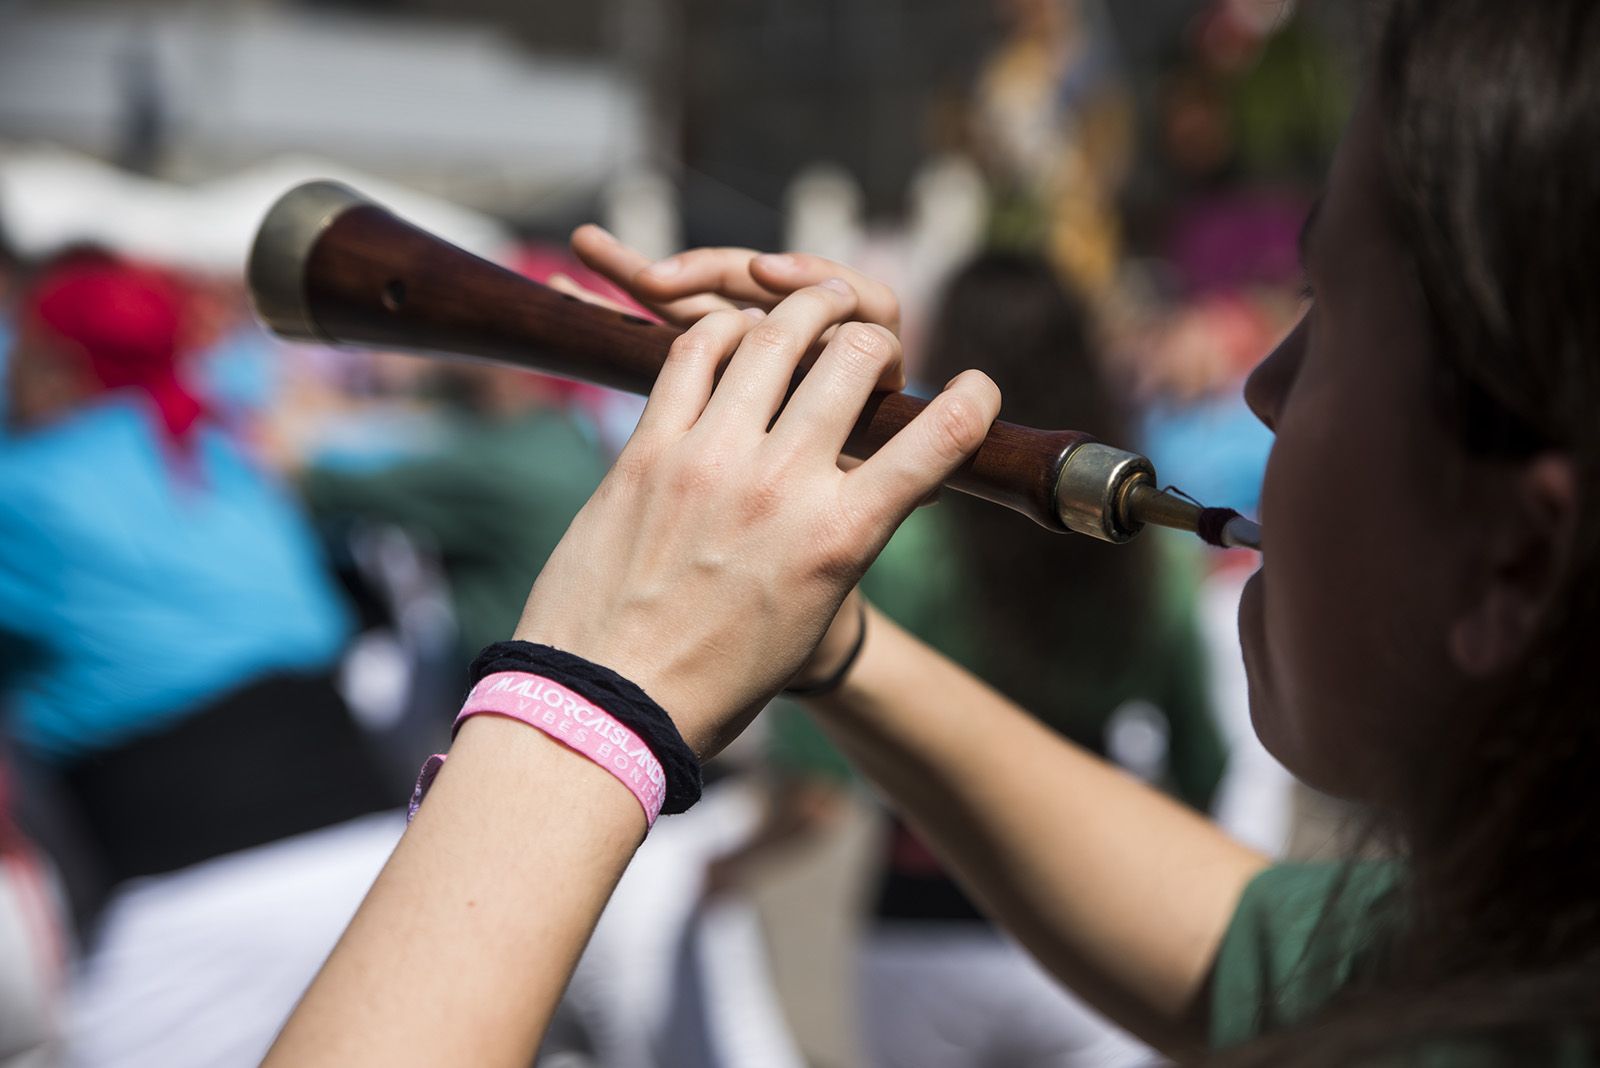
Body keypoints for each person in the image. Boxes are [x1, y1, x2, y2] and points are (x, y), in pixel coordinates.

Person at [265, 2, 1600, 1063]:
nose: (1261, 384)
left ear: (1520, 557)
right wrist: (830, 636)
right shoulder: (1515, 967)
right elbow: (1233, 939)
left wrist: (593, 684)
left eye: (1324, 302)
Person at [0, 256, 399, 1066]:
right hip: (387, 865)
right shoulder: (229, 447)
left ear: (54, 365)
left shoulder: (22, 490)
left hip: (198, 905)